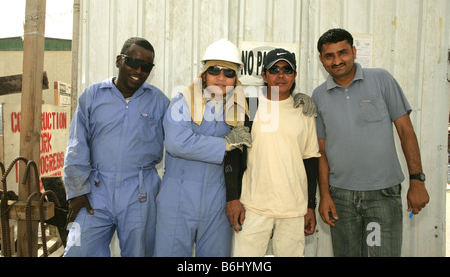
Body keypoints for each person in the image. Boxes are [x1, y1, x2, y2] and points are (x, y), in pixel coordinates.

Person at [312, 28, 430, 257]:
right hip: (341, 199)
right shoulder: (319, 96)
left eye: (342, 52)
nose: (337, 60)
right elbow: (322, 152)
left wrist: (417, 181)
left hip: (382, 196)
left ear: (354, 52)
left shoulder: (381, 79)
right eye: (329, 56)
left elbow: (406, 131)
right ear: (321, 60)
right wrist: (324, 195)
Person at [63, 37, 169, 257]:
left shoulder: (159, 102)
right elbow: (76, 144)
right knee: (78, 251)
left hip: (140, 193)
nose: (138, 71)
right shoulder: (93, 96)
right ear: (119, 60)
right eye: (132, 62)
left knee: (139, 253)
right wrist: (76, 191)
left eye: (146, 67)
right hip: (95, 191)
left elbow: (180, 142)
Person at [153, 38, 252, 257]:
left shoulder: (240, 107)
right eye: (215, 70)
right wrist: (225, 144)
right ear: (204, 73)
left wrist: (295, 99)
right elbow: (177, 143)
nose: (221, 77)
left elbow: (274, 111)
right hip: (178, 198)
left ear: (236, 78)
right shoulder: (183, 102)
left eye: (229, 72)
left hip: (217, 201)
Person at [231, 48, 321, 257]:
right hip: (254, 208)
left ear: (295, 75)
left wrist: (310, 206)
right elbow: (234, 155)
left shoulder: (304, 111)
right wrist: (232, 198)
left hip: (293, 210)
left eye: (287, 69)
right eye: (274, 69)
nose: (281, 75)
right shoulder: (248, 106)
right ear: (264, 75)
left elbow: (311, 161)